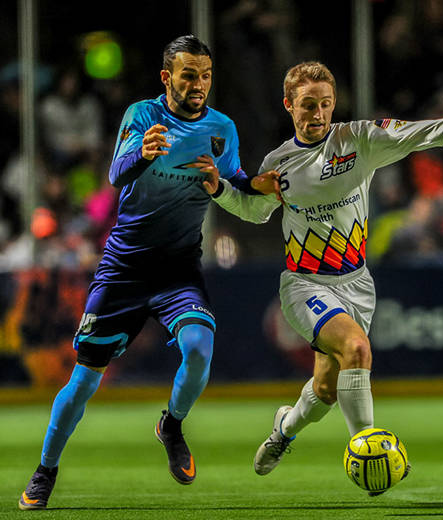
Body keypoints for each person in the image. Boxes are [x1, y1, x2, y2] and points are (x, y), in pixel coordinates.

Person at [195, 61, 443, 486]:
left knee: (326, 390)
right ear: (289, 105)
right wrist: (219, 189)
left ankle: (284, 428)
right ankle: (368, 448)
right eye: (308, 104)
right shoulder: (279, 162)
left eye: (325, 104)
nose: (318, 113)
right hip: (305, 284)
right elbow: (254, 211)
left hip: (357, 284)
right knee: (357, 348)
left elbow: (417, 134)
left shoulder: (358, 139)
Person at [18, 34, 275, 510]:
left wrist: (261, 184)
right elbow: (116, 175)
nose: (199, 85)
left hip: (179, 268)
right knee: (84, 381)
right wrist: (143, 154)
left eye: (205, 76)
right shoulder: (142, 116)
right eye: (188, 75)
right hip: (125, 268)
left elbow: (236, 179)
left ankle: (171, 425)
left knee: (199, 349)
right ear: (166, 77)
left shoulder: (221, 128)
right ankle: (45, 470)